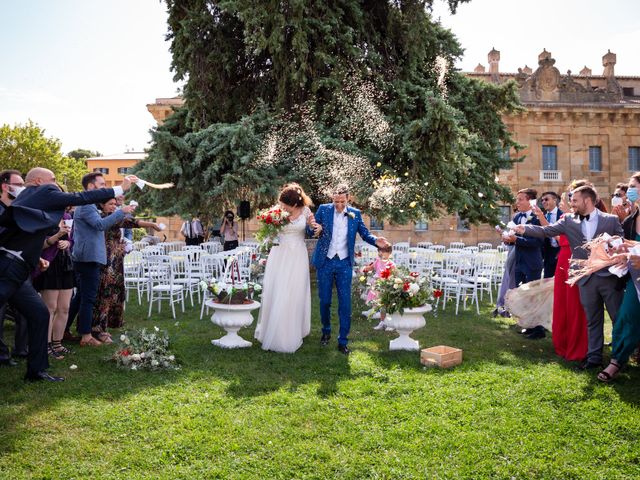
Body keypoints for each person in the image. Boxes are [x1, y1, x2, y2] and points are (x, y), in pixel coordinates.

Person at [0, 167, 137, 381]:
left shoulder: (30, 197)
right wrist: (119, 188)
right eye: (53, 179)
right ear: (38, 181)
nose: (56, 183)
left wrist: (36, 258)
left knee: (39, 314)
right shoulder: (42, 192)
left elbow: (23, 235)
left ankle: (36, 371)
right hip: (8, 269)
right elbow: (80, 197)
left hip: (18, 269)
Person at [514, 185, 624, 370]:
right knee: (593, 320)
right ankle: (594, 357)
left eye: (574, 200)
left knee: (617, 318)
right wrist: (524, 229)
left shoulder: (611, 220)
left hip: (608, 277)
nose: (571, 204)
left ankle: (618, 359)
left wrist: (611, 247)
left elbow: (620, 241)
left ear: (587, 200)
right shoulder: (568, 221)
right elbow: (545, 231)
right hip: (584, 277)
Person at [310, 184, 390, 354]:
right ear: (332, 198)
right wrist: (315, 229)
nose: (339, 205)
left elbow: (364, 233)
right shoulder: (323, 210)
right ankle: (326, 331)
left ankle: (343, 341)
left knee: (345, 304)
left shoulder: (356, 213)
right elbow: (311, 229)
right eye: (336, 201)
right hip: (325, 262)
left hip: (345, 263)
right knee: (324, 301)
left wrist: (376, 241)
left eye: (342, 201)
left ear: (348, 199)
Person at [67, 173, 137, 348]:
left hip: (89, 257)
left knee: (81, 297)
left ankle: (64, 331)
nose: (105, 187)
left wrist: (119, 208)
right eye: (102, 184)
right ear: (91, 187)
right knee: (88, 298)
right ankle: (86, 335)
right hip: (87, 257)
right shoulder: (86, 205)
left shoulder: (89, 205)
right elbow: (100, 225)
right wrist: (121, 211)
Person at [254, 184, 314, 353]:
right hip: (279, 254)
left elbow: (312, 229)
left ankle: (295, 330)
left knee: (295, 291)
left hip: (297, 256)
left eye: (285, 205)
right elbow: (270, 234)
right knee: (278, 289)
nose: (282, 207)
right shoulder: (277, 211)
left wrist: (314, 227)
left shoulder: (306, 212)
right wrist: (270, 226)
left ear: (295, 205)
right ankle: (274, 331)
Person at [92, 198, 161, 339]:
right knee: (105, 293)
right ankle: (98, 329)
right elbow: (131, 222)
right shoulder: (102, 218)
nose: (113, 206)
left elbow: (130, 221)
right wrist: (151, 224)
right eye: (109, 204)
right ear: (101, 205)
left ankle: (111, 323)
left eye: (114, 204)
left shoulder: (113, 217)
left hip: (116, 259)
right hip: (106, 261)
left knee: (116, 291)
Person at [598, 172, 640, 382]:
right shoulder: (632, 219)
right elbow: (631, 245)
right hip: (636, 280)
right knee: (627, 315)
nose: (628, 191)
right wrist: (620, 248)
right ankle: (617, 361)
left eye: (633, 186)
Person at [502, 188, 545, 339]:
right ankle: (527, 324)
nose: (517, 202)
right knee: (521, 295)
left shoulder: (537, 217)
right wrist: (508, 240)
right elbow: (514, 240)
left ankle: (539, 329)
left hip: (532, 262)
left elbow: (538, 241)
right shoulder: (517, 216)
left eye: (520, 199)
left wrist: (517, 240)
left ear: (530, 201)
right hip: (518, 261)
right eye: (517, 199)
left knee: (533, 296)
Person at [33, 215, 74, 359]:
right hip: (48, 265)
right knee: (50, 308)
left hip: (65, 264)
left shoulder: (67, 217)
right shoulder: (43, 218)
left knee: (64, 307)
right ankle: (46, 345)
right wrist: (57, 236)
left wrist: (67, 244)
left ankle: (58, 343)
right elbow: (38, 245)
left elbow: (71, 240)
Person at [0, 169, 29, 367]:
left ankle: (22, 349)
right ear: (5, 186)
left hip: (19, 267)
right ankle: (2, 355)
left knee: (27, 310)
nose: (21, 188)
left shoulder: (19, 209)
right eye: (18, 184)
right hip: (3, 269)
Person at [362, 245, 394, 330]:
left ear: (389, 253)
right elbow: (371, 267)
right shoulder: (378, 261)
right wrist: (365, 269)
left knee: (387, 306)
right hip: (377, 287)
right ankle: (383, 322)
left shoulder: (391, 264)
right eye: (379, 251)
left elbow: (394, 275)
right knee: (381, 306)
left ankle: (391, 323)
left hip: (386, 287)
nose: (381, 253)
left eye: (383, 251)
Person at [538, 191, 562, 279]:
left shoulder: (563, 214)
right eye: (542, 200)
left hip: (561, 251)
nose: (543, 202)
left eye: (546, 199)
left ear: (555, 200)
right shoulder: (541, 217)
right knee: (547, 281)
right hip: (548, 253)